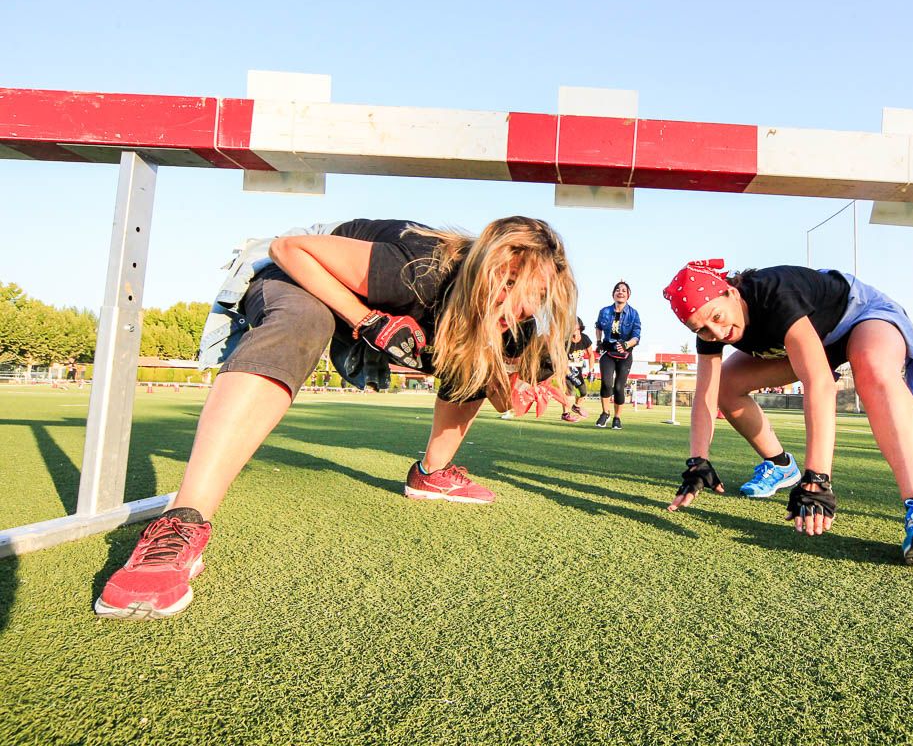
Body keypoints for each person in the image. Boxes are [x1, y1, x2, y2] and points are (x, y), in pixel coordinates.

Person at [95, 216, 577, 619]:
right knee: (306, 319)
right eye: (511, 285)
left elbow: (500, 397)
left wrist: (513, 384)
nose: (522, 304)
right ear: (487, 268)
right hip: (304, 273)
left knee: (472, 354)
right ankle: (182, 520)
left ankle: (432, 473)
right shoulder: (418, 269)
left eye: (535, 295)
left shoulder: (518, 322)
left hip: (372, 304)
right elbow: (288, 249)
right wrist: (370, 321)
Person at [662, 259, 913, 566]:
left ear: (731, 292)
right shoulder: (710, 328)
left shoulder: (776, 294)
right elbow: (706, 393)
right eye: (702, 329)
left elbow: (819, 383)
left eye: (717, 317)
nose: (717, 332)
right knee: (726, 386)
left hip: (858, 316)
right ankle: (780, 465)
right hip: (816, 338)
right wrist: (697, 461)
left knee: (873, 368)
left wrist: (817, 479)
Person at [594, 281, 641, 430]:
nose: (620, 292)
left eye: (624, 290)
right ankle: (605, 413)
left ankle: (617, 417)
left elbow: (636, 336)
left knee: (619, 387)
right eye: (617, 290)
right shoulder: (604, 311)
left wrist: (627, 344)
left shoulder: (633, 314)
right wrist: (599, 342)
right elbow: (598, 327)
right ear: (613, 294)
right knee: (606, 383)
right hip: (608, 351)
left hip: (625, 354)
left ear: (628, 295)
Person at [560, 317, 594, 422]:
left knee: (583, 392)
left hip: (578, 370)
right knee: (569, 392)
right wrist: (568, 373)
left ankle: (576, 407)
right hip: (566, 370)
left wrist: (591, 370)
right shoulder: (565, 340)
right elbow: (561, 358)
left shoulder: (585, 339)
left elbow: (591, 354)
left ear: (580, 327)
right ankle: (565, 414)